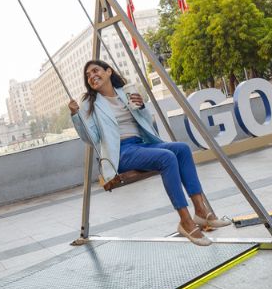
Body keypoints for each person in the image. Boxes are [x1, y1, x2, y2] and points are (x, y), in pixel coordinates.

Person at [67, 59, 230, 246]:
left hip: (142, 144)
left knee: (182, 149)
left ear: (109, 71)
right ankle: (185, 221)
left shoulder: (124, 92)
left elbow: (145, 123)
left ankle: (201, 212)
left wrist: (142, 107)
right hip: (121, 153)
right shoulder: (90, 102)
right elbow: (91, 138)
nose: (91, 76)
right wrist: (76, 116)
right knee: (167, 158)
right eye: (88, 75)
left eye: (95, 71)